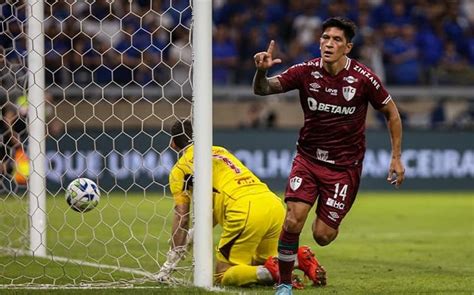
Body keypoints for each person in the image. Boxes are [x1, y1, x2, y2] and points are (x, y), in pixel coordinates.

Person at [253, 17, 405, 295]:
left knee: (323, 235)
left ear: (347, 47)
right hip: (308, 159)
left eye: (336, 40)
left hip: (344, 168)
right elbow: (262, 89)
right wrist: (261, 72)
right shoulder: (305, 71)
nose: (328, 43)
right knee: (293, 219)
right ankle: (285, 283)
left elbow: (391, 112)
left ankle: (305, 255)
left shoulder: (363, 78)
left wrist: (396, 157)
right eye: (325, 38)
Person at [156, 120, 322, 288]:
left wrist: (173, 257)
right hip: (272, 204)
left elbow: (182, 216)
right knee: (254, 263)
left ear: (173, 143)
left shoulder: (179, 170)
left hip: (245, 209)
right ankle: (298, 259)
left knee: (222, 275)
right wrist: (194, 234)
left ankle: (271, 272)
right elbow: (212, 210)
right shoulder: (220, 151)